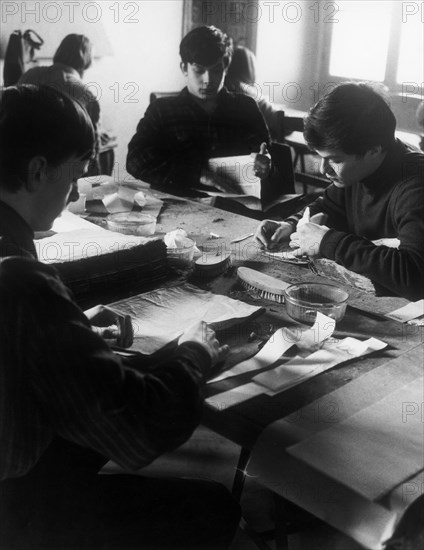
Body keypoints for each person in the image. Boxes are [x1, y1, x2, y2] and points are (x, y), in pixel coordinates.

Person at [0, 85, 240, 549]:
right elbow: (138, 432)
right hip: (16, 508)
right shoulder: (22, 282)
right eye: (72, 179)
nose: (72, 194)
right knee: (214, 508)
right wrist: (193, 354)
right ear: (36, 171)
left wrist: (70, 337)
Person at [254, 82, 424, 301]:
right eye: (320, 157)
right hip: (367, 295)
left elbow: (415, 277)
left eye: (334, 160)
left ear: (373, 150)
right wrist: (292, 224)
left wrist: (328, 242)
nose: (323, 170)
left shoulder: (416, 185)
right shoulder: (358, 170)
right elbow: (328, 205)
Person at [126, 25, 271, 197]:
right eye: (199, 70)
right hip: (179, 205)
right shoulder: (162, 111)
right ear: (184, 68)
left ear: (226, 68)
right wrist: (199, 175)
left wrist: (267, 163)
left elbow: (267, 155)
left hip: (239, 207)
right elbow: (135, 161)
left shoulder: (245, 107)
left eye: (216, 70)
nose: (208, 80)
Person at [19, 34, 102, 174]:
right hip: (62, 169)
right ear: (86, 59)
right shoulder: (85, 93)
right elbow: (92, 148)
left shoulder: (30, 74)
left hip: (22, 162)